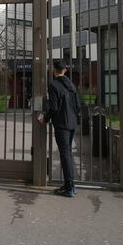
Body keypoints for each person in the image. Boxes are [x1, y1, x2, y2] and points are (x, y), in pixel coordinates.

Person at [38, 59, 81, 197]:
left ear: (53, 70)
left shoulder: (53, 85)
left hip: (62, 125)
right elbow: (78, 105)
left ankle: (70, 187)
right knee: (67, 153)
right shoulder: (71, 85)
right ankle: (69, 184)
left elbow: (54, 107)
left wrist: (44, 119)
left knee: (65, 154)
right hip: (72, 123)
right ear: (65, 70)